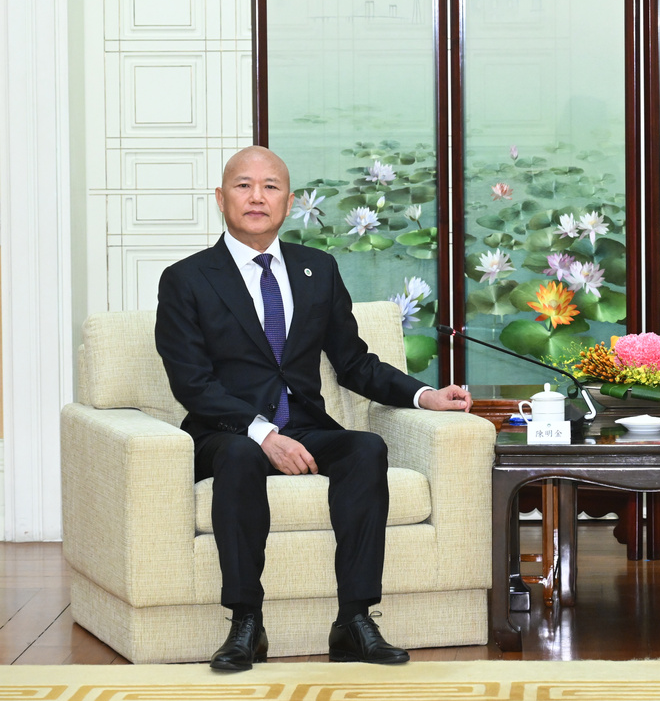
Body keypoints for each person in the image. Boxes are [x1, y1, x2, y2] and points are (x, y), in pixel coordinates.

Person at [155, 146, 472, 671]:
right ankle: (245, 623)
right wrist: (262, 434)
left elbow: (354, 362)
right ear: (220, 197)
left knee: (365, 449)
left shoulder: (316, 269)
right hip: (225, 431)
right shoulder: (186, 278)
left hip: (303, 425)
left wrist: (425, 395)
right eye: (243, 185)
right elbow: (192, 382)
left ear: (289, 200)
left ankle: (354, 621)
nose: (257, 197)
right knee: (239, 456)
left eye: (271, 186)